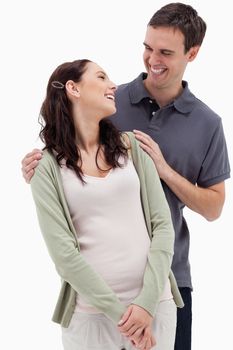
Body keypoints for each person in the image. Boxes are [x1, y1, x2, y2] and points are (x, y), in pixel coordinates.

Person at [22, 3, 231, 350]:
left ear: (192, 54)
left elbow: (214, 208)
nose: (153, 60)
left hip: (169, 278)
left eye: (165, 52)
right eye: (148, 48)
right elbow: (66, 153)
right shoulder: (111, 102)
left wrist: (164, 170)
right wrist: (38, 171)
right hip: (97, 294)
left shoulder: (207, 124)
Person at [29, 59, 183, 350]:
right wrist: (123, 317)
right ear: (73, 88)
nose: (112, 85)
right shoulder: (45, 167)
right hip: (92, 318)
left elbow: (163, 226)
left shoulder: (133, 148)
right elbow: (64, 256)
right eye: (101, 77)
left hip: (155, 308)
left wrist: (146, 306)